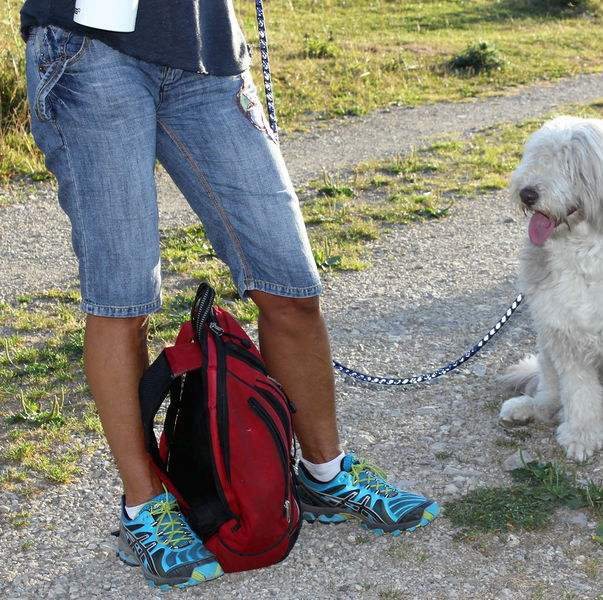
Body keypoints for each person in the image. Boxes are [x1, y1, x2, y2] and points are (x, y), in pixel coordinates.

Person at [20, 0, 438, 590]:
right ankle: (144, 508)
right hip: (92, 47)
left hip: (207, 50)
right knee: (123, 296)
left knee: (289, 283)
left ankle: (324, 475)